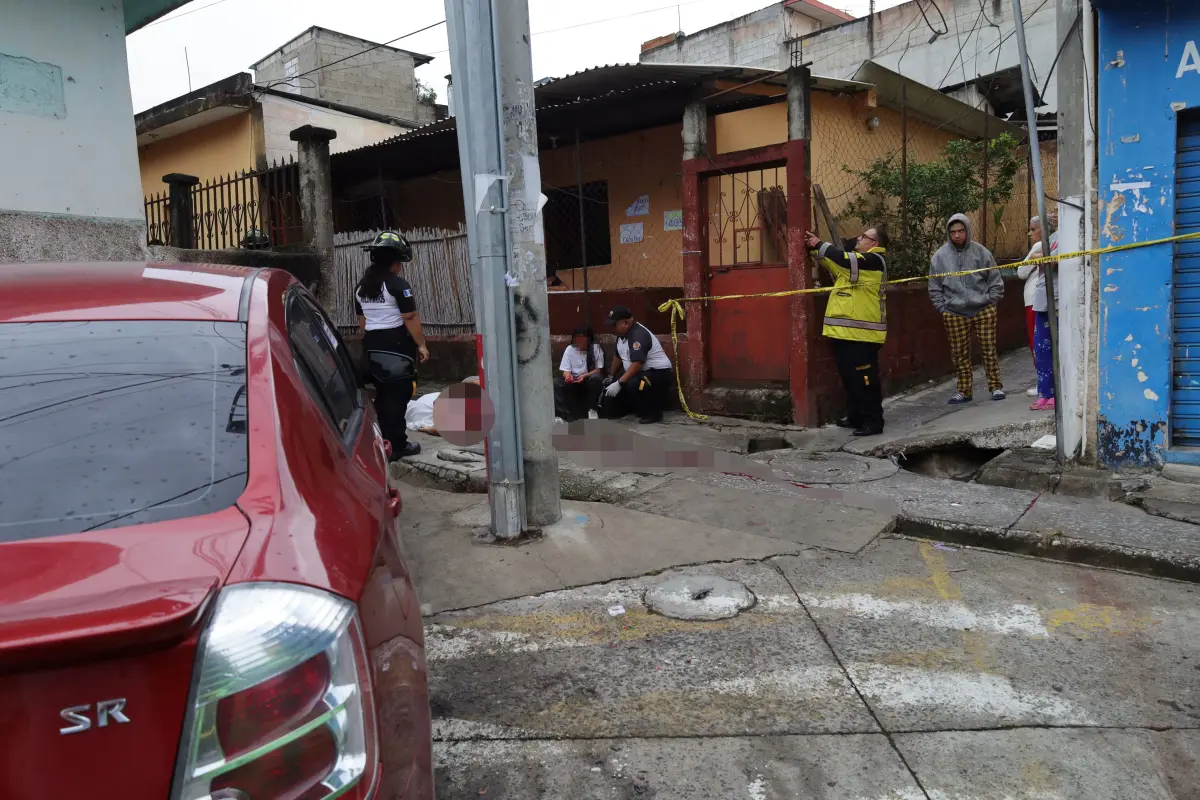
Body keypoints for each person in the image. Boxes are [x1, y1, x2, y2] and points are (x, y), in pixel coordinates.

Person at [805, 225, 890, 436]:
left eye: (865, 236)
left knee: (865, 380)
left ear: (875, 244)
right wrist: (816, 252)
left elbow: (842, 259)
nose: (859, 238)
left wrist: (819, 244)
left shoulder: (873, 262)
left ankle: (873, 422)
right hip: (845, 332)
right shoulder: (856, 264)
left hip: (863, 335)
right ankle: (856, 417)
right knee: (850, 378)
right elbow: (836, 265)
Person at [355, 230, 429, 459]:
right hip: (395, 347)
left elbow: (362, 323)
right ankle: (397, 445)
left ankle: (379, 441)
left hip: (372, 346)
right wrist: (422, 345)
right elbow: (409, 317)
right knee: (397, 396)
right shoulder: (398, 285)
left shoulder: (361, 287)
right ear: (395, 262)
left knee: (383, 395)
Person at [929, 213, 1005, 404]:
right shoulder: (940, 256)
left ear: (967, 231)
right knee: (959, 353)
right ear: (948, 233)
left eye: (961, 231)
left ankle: (995, 386)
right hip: (954, 312)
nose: (957, 235)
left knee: (989, 349)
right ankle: (964, 391)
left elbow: (995, 279)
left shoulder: (981, 252)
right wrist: (942, 308)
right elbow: (934, 285)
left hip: (983, 309)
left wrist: (992, 300)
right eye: (953, 232)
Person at [601, 306, 673, 424]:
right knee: (615, 387)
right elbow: (618, 357)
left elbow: (638, 364)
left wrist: (619, 383)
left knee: (639, 383)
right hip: (639, 373)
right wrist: (611, 377)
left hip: (658, 374)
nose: (612, 328)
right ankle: (630, 409)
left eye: (614, 325)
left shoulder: (638, 335)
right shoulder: (621, 337)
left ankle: (653, 414)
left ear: (625, 323)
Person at [1017, 216, 1058, 398]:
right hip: (1038, 299)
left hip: (1036, 300)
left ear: (1042, 229)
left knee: (1038, 343)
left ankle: (1043, 384)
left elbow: (1021, 272)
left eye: (1033, 229)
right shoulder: (1052, 244)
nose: (1030, 233)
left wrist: (1032, 259)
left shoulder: (1039, 246)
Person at [554, 326, 606, 422]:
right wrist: (568, 376)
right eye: (577, 339)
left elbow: (598, 370)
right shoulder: (570, 349)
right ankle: (561, 414)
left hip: (587, 378)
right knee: (557, 383)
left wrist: (584, 376)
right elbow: (565, 370)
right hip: (574, 378)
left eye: (583, 339)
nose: (580, 342)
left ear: (589, 339)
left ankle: (592, 410)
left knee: (596, 379)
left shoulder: (596, 349)